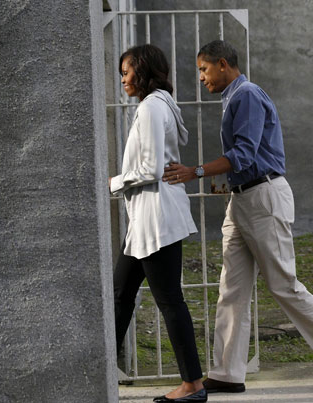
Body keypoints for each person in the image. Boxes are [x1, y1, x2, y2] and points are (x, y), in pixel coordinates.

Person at [162, 40, 313, 394]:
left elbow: (243, 155)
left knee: (283, 283)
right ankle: (226, 373)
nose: (201, 78)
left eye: (204, 70)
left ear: (223, 64)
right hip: (243, 200)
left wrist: (194, 171)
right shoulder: (233, 98)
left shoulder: (247, 95)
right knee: (232, 288)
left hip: (263, 196)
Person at [109, 44, 207, 403]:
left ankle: (193, 385)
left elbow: (150, 169)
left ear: (144, 70)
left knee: (169, 301)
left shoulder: (152, 107)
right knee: (121, 294)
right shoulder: (161, 103)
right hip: (147, 221)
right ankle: (102, 375)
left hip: (156, 220)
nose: (123, 79)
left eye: (126, 72)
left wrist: (113, 183)